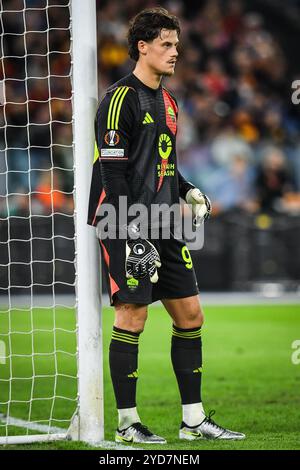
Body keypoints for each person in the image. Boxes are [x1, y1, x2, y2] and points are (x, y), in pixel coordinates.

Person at [88, 7, 245, 444]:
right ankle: (126, 424)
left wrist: (189, 190)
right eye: (166, 45)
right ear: (143, 47)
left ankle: (193, 420)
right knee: (132, 316)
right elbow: (112, 176)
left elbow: (166, 166)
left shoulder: (170, 101)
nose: (176, 52)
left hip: (162, 220)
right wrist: (132, 234)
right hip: (123, 222)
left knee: (191, 314)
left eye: (176, 44)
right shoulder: (119, 99)